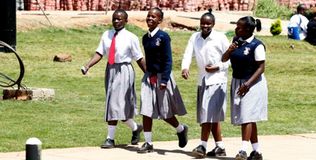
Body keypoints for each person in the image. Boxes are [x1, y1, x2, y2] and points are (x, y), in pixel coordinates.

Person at [81, 9, 146, 148]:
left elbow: (139, 58)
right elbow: (99, 53)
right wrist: (87, 66)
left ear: (126, 21)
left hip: (124, 70)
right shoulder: (107, 34)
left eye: (119, 19)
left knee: (116, 105)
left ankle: (110, 139)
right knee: (116, 105)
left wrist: (148, 75)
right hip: (110, 70)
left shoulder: (131, 37)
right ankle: (135, 128)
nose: (116, 21)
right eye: (114, 19)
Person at [137, 7, 188, 153]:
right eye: (149, 16)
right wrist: (148, 74)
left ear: (159, 20)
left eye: (154, 17)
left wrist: (164, 80)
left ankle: (181, 129)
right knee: (146, 109)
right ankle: (148, 142)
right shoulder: (145, 38)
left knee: (165, 112)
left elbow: (168, 60)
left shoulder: (163, 37)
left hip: (163, 77)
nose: (150, 19)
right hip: (150, 76)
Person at [181, 10, 229, 158]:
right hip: (203, 80)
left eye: (208, 23)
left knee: (207, 115)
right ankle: (220, 147)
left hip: (217, 80)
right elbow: (188, 53)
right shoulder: (195, 37)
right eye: (203, 23)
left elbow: (230, 59)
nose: (205, 26)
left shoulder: (220, 37)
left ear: (213, 24)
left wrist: (217, 67)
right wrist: (185, 67)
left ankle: (202, 146)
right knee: (210, 115)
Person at [222, 16, 268, 160]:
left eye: (239, 27)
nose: (236, 29)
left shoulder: (257, 45)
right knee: (248, 117)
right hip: (238, 81)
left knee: (246, 116)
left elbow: (261, 68)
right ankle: (257, 152)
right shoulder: (236, 41)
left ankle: (243, 150)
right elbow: (223, 59)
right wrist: (229, 50)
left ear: (248, 29)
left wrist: (247, 84)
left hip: (253, 84)